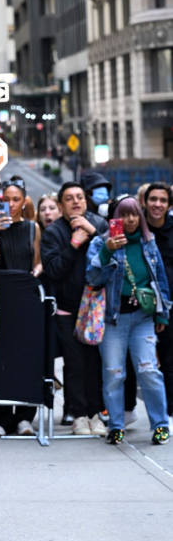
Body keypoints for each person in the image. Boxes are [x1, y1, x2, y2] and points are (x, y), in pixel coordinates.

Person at [86, 197, 171, 445]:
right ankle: (116, 426)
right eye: (124, 214)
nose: (131, 219)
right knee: (113, 373)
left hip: (143, 318)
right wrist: (107, 250)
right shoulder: (101, 242)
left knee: (148, 370)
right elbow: (91, 277)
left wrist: (162, 312)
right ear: (115, 218)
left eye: (135, 214)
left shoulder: (149, 242)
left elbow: (160, 278)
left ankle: (161, 425)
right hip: (113, 319)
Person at [41, 181, 108, 436]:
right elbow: (54, 270)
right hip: (68, 311)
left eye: (80, 197)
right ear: (61, 205)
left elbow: (114, 256)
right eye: (69, 198)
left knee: (95, 363)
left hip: (95, 309)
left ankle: (96, 414)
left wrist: (93, 234)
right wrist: (74, 244)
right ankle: (79, 415)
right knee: (75, 362)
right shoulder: (54, 232)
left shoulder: (98, 225)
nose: (76, 201)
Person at [0, 176, 41, 436]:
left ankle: (25, 418)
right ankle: (1, 417)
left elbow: (38, 261)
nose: (12, 204)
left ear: (24, 200)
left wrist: (34, 275)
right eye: (6, 199)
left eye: (16, 199)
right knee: (1, 356)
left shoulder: (32, 227)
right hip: (0, 297)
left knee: (28, 356)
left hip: (26, 297)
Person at [144, 182, 173, 424]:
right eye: (153, 199)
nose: (157, 204)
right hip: (140, 308)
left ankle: (169, 414)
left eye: (163, 201)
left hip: (170, 307)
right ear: (145, 201)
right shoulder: (137, 227)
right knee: (142, 367)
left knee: (169, 362)